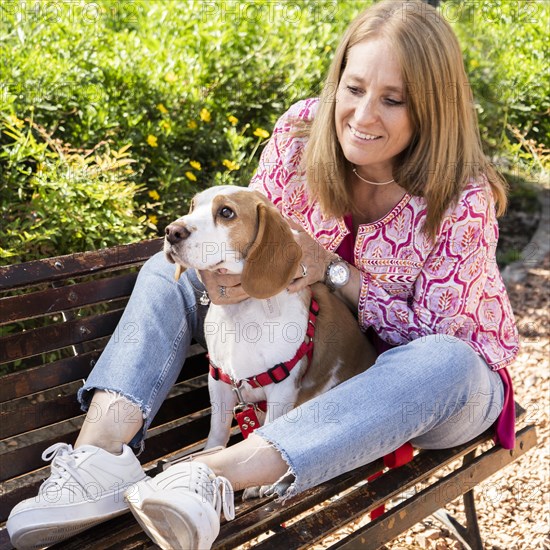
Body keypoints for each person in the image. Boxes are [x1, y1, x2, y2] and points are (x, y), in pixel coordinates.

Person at [7, 1, 519, 548]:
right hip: (294, 360)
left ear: (433, 111)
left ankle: (208, 475)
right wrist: (223, 279)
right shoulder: (300, 132)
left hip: (435, 392)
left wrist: (334, 271)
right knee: (168, 269)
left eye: (392, 100)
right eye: (353, 88)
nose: (363, 116)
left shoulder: (461, 196)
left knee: (447, 360)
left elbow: (433, 336)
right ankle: (98, 461)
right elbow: (245, 247)